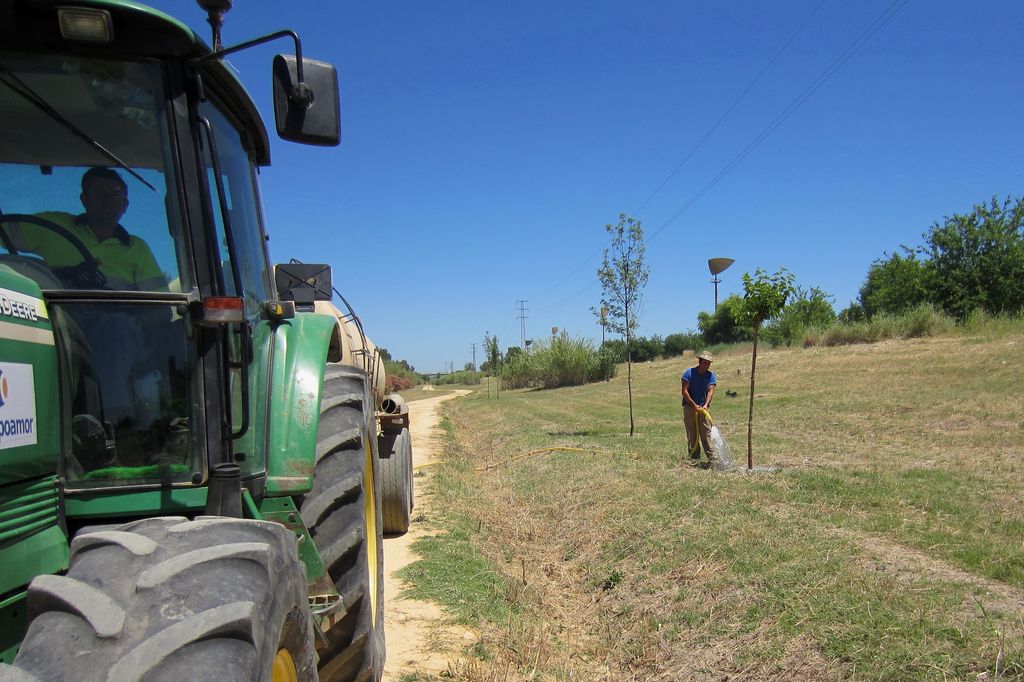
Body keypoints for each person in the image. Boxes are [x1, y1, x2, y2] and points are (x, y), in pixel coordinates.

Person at [18, 167, 166, 290]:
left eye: (114, 195)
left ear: (125, 205)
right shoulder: (52, 226)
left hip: (116, 321)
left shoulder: (137, 249)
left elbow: (160, 309)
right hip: (56, 319)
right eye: (100, 193)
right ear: (85, 199)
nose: (107, 201)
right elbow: (4, 233)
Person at [681, 350, 717, 467]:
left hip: (704, 408)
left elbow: (710, 390)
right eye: (705, 363)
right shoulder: (689, 373)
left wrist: (706, 404)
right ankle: (694, 457)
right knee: (692, 432)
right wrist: (693, 405)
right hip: (689, 407)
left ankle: (712, 459)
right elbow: (685, 391)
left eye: (709, 363)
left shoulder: (710, 376)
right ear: (700, 361)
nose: (707, 365)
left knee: (706, 432)